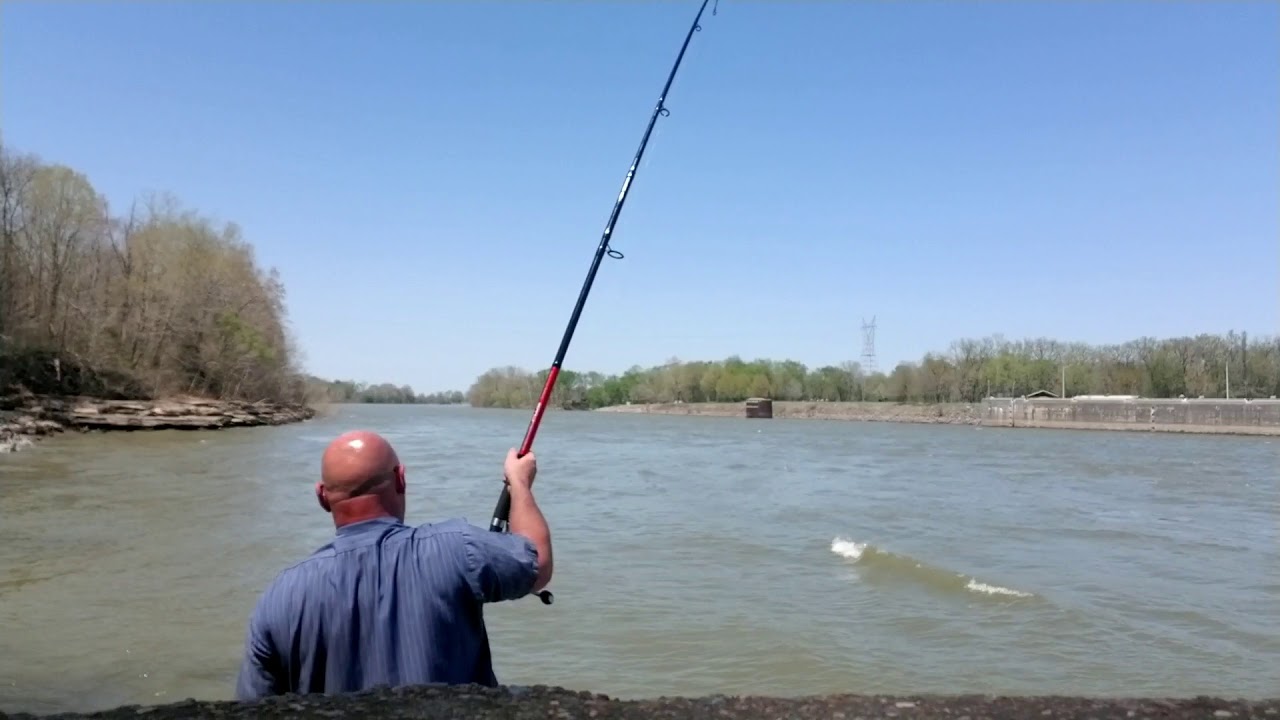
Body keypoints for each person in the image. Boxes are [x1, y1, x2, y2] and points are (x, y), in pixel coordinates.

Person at [233, 429, 553, 700]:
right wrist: (520, 483)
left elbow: (252, 707)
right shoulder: (458, 549)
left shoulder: (279, 598)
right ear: (401, 480)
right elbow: (536, 561)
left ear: (322, 497)